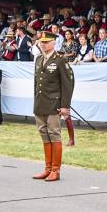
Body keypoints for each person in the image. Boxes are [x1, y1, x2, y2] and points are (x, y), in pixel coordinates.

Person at [32, 31, 74, 181]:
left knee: (54, 134)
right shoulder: (38, 59)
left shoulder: (60, 60)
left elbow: (68, 84)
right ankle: (47, 168)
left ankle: (55, 170)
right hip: (40, 103)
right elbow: (37, 83)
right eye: (41, 42)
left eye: (46, 42)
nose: (43, 45)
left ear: (54, 43)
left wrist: (65, 106)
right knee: (44, 134)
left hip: (54, 104)